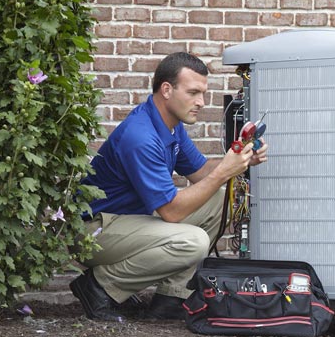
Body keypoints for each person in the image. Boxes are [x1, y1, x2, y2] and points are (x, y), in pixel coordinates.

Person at [70, 52, 268, 321]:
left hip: (128, 220)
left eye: (203, 93)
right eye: (193, 93)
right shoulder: (141, 136)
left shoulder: (170, 126)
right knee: (192, 241)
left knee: (221, 200)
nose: (201, 102)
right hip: (94, 230)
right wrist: (223, 171)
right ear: (167, 90)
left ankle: (170, 298)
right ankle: (99, 286)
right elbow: (171, 213)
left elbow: (200, 174)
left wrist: (241, 159)